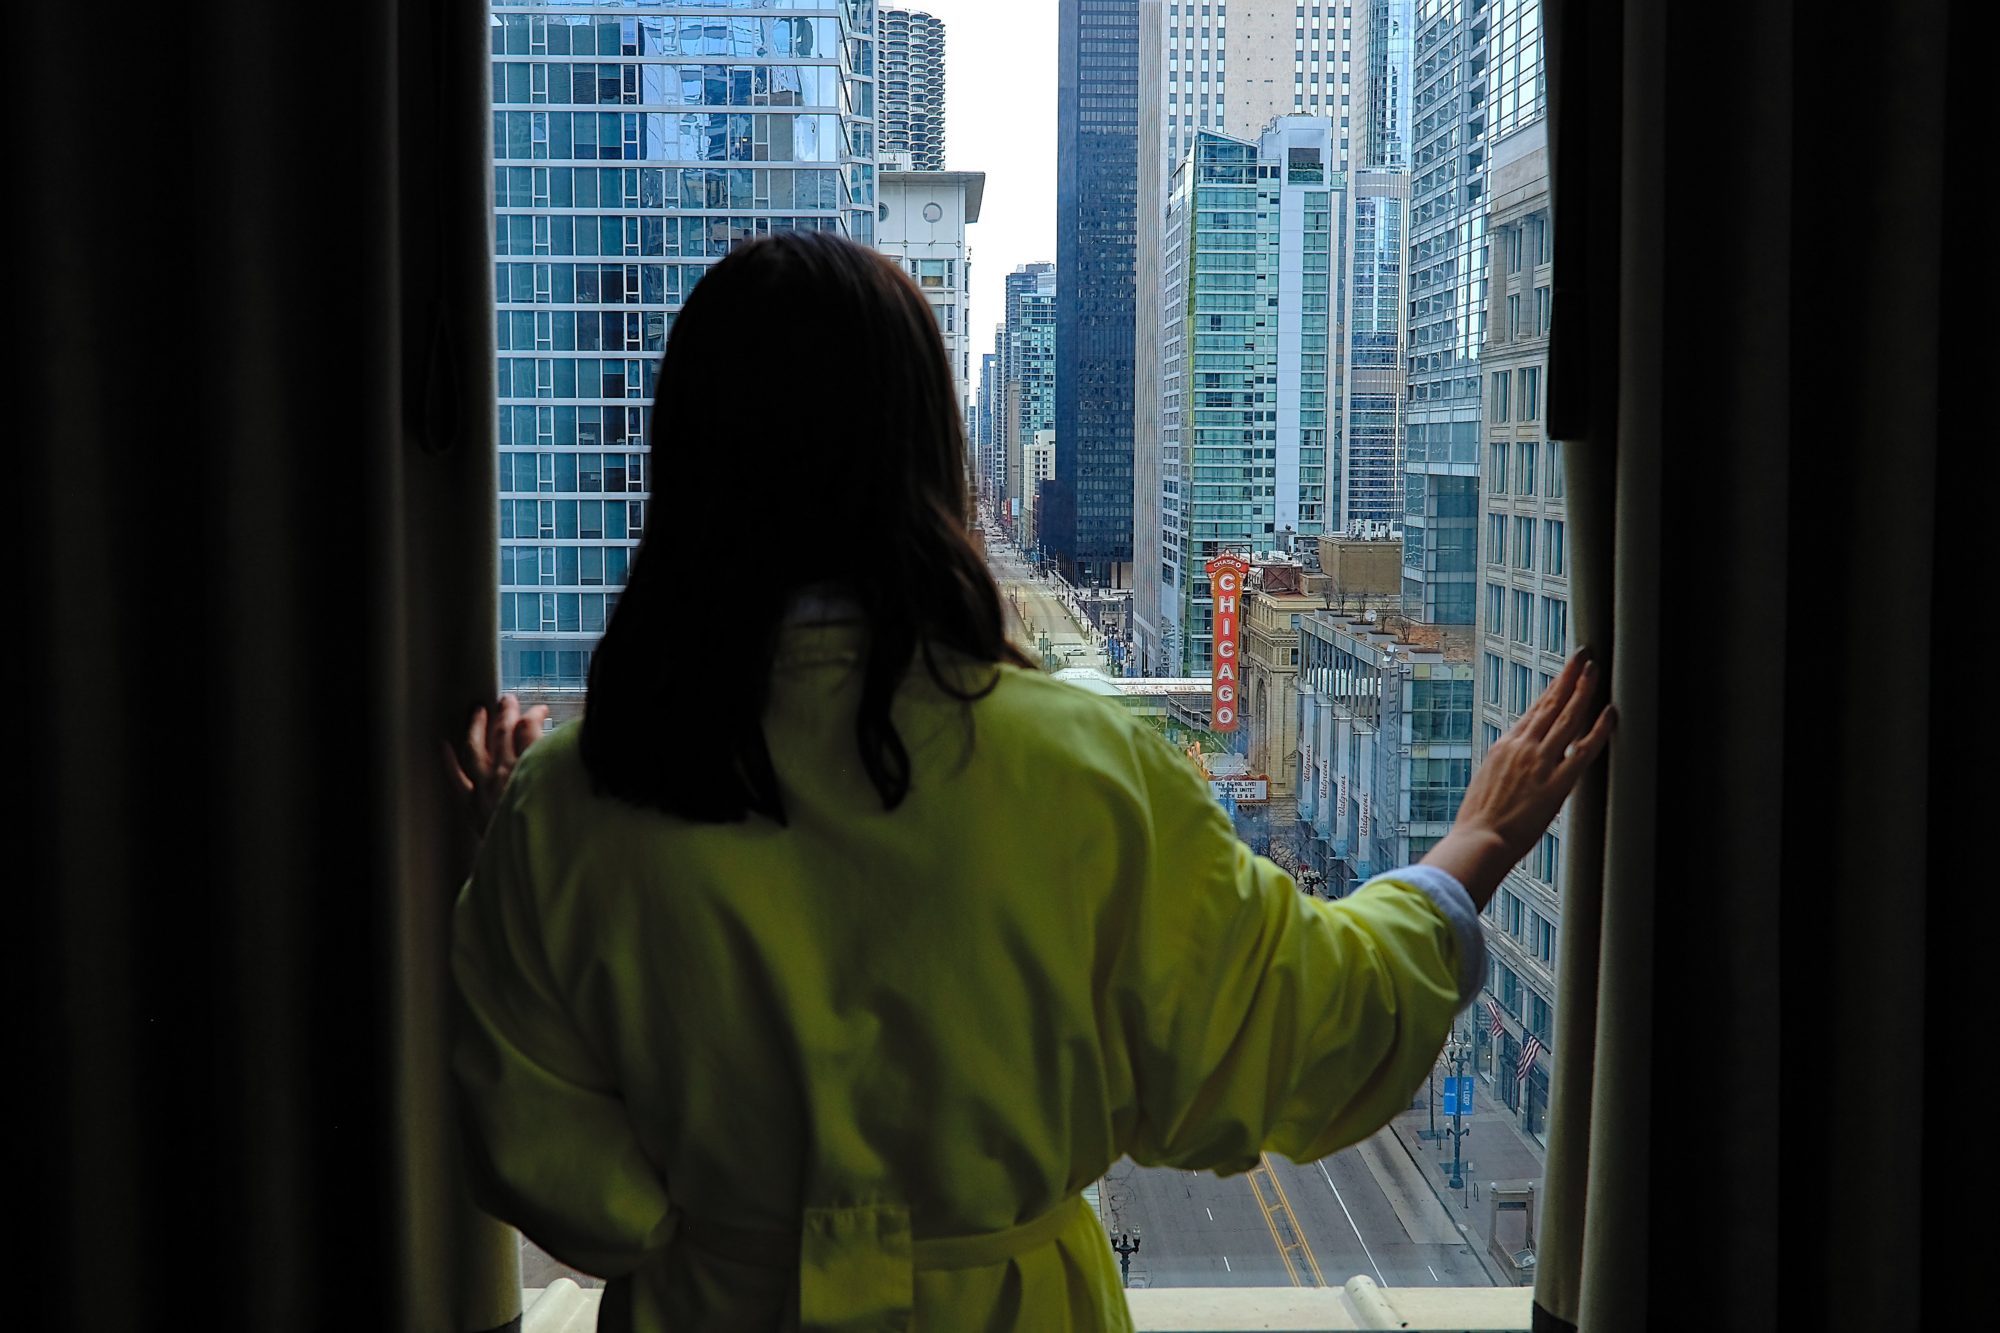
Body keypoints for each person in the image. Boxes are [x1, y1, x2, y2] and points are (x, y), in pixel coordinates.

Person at [445, 231, 1614, 1332]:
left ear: (684, 469)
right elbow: (1299, 1032)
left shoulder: (568, 806)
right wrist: (1473, 848)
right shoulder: (1084, 770)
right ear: (928, 462)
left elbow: (555, 1170)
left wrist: (514, 841)